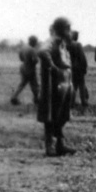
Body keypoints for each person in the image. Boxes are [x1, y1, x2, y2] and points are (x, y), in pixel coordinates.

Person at [36, 17, 76, 156]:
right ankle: (50, 146)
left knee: (63, 115)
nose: (70, 31)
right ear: (62, 28)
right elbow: (42, 51)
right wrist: (52, 66)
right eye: (68, 28)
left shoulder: (62, 42)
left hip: (65, 81)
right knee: (52, 115)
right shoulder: (52, 41)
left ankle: (60, 144)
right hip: (56, 84)